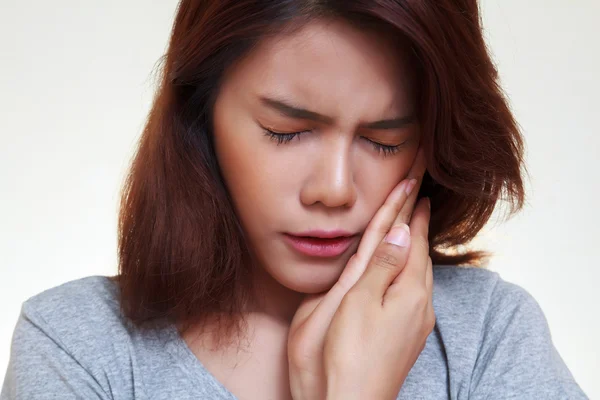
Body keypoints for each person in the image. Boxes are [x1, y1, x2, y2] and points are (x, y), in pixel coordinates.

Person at [1, 0, 589, 399]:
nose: (334, 189)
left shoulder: (489, 333)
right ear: (201, 115)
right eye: (286, 132)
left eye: (384, 140)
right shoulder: (79, 347)